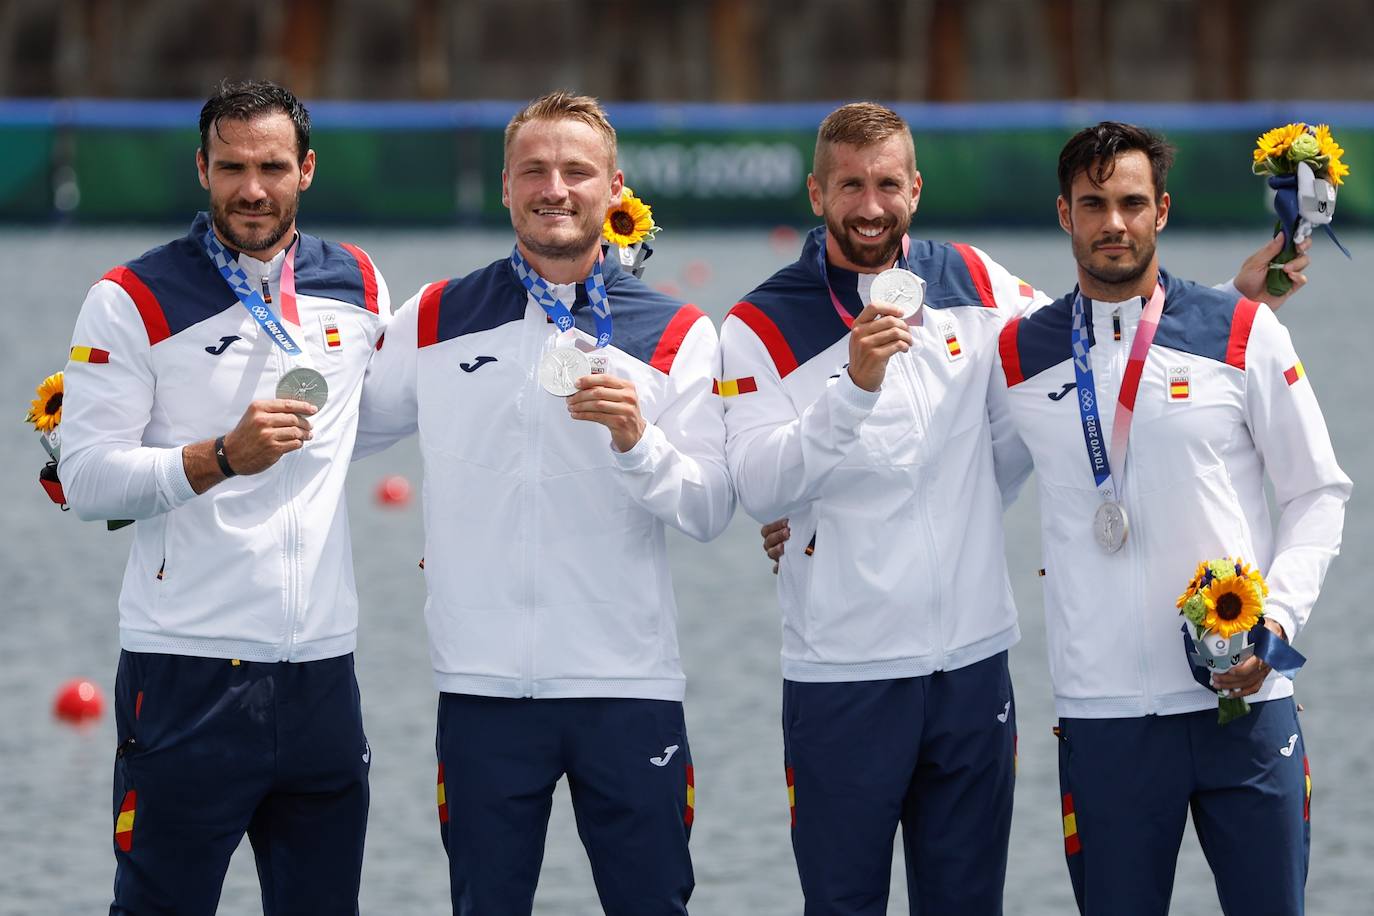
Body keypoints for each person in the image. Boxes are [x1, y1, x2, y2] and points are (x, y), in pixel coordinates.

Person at [722, 103, 1310, 916]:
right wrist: (849, 393)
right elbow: (755, 486)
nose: (869, 206)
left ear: (915, 189)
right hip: (843, 674)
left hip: (971, 668)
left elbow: (1111, 326)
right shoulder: (756, 322)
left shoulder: (973, 279)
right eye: (849, 185)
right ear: (816, 191)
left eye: (887, 183)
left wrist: (1233, 308)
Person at [356, 90, 734, 915]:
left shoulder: (678, 333)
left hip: (627, 690)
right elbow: (332, 438)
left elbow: (708, 509)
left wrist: (640, 442)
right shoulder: (433, 316)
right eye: (534, 169)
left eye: (576, 171)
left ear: (614, 187)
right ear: (504, 185)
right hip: (484, 690)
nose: (554, 188)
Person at [993, 121, 1349, 916]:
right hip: (1107, 721)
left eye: (1130, 203)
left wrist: (1278, 624)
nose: (1112, 223)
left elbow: (1317, 492)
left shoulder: (1245, 332)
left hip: (1245, 704)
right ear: (1064, 214)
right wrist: (800, 518)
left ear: (1162, 211)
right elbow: (952, 480)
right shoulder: (1019, 355)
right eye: (1094, 205)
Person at [59, 79, 389, 914]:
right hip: (186, 672)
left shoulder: (357, 281)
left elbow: (394, 418)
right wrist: (219, 457)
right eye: (231, 166)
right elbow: (87, 481)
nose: (252, 188)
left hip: (321, 675)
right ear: (200, 168)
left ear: (306, 170)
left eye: (272, 166)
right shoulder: (129, 298)